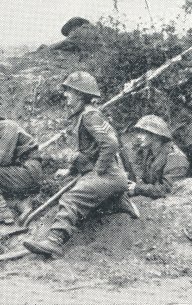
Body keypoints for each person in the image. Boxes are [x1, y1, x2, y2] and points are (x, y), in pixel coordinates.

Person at [23, 71, 138, 258]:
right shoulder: (81, 117)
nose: (65, 95)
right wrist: (70, 171)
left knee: (71, 198)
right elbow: (89, 152)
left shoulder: (90, 115)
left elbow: (110, 144)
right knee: (87, 199)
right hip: (106, 176)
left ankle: (54, 242)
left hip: (108, 175)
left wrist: (98, 172)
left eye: (69, 91)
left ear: (80, 94)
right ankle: (118, 201)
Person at [127, 115, 189, 199]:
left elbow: (168, 190)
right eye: (138, 132)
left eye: (143, 132)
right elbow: (144, 177)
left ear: (156, 135)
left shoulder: (176, 158)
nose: (138, 136)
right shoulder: (149, 154)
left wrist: (138, 188)